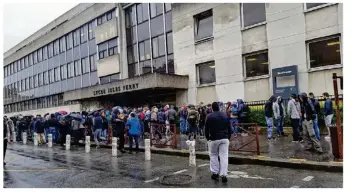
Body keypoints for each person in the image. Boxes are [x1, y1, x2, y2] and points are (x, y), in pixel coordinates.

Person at [205, 102, 231, 183]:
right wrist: (228, 137)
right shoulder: (225, 115)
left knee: (213, 155)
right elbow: (229, 128)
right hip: (225, 138)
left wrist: (208, 138)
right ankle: (224, 175)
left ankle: (215, 173)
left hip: (214, 138)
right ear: (219, 107)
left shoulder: (209, 116)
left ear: (212, 108)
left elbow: (206, 129)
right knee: (224, 156)